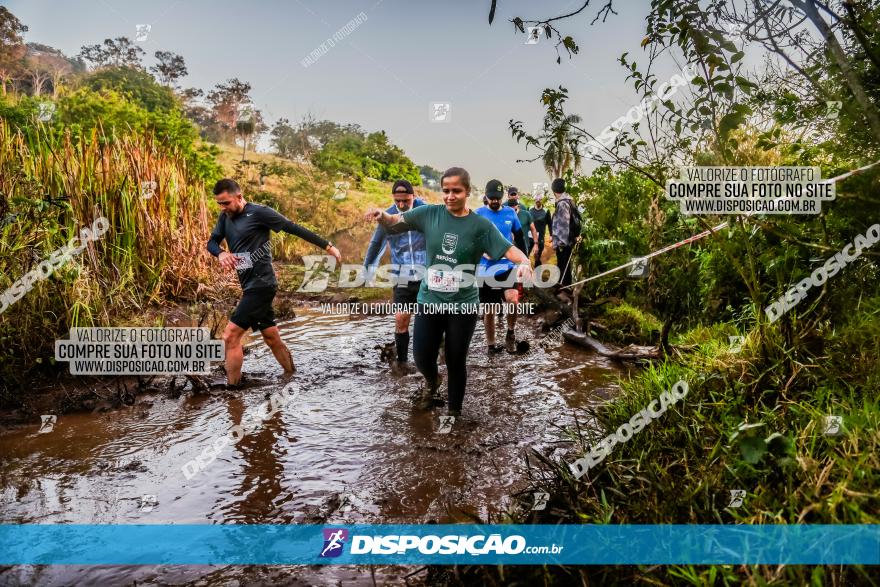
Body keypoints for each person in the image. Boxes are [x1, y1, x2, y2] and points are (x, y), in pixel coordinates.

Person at [365, 167, 532, 418]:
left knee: (455, 362)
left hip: (462, 305)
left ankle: (454, 414)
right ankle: (432, 382)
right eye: (446, 190)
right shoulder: (429, 213)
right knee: (422, 356)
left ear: (467, 192)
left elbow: (509, 249)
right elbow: (395, 221)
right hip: (429, 301)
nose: (450, 196)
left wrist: (525, 262)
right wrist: (381, 216)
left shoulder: (480, 226)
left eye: (456, 191)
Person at [207, 178, 341, 387]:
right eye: (219, 204)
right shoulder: (225, 217)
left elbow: (293, 228)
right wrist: (221, 254)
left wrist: (328, 246)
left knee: (230, 336)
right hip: (249, 285)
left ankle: (232, 391)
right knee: (271, 337)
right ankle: (292, 375)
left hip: (262, 285)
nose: (223, 208)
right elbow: (212, 242)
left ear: (239, 197)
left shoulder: (259, 212)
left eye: (226, 203)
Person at [363, 179, 427, 368]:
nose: (401, 205)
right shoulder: (388, 215)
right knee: (401, 318)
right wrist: (368, 270)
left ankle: (435, 356)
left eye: (405, 201)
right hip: (402, 275)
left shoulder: (425, 211)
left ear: (413, 197)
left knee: (431, 320)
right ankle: (402, 363)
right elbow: (376, 243)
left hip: (427, 276)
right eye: (397, 201)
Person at [476, 180, 528, 354]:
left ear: (502, 197)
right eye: (492, 198)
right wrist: (483, 252)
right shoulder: (478, 214)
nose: (495, 201)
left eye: (498, 198)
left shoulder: (510, 214)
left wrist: (525, 261)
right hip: (486, 269)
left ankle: (510, 331)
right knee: (489, 310)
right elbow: (471, 240)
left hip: (507, 266)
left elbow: (520, 239)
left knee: (513, 300)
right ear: (486, 196)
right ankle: (491, 346)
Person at [550, 178, 580, 288]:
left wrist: (560, 244)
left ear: (554, 190)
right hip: (570, 239)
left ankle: (564, 291)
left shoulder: (562, 204)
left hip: (564, 242)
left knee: (563, 268)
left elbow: (563, 226)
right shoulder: (570, 200)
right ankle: (565, 289)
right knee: (564, 267)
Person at [506, 187, 538, 261]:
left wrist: (536, 244)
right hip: (509, 247)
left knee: (523, 267)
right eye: (511, 207)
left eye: (514, 206)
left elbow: (533, 229)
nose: (512, 208)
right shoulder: (504, 212)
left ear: (518, 205)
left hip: (524, 245)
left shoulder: (525, 213)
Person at [529, 196, 552, 265]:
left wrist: (551, 235)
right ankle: (525, 272)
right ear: (534, 199)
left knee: (537, 256)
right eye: (537, 199)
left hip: (540, 238)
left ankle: (537, 271)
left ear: (542, 200)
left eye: (540, 199)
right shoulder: (529, 209)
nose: (538, 200)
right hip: (529, 236)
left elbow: (550, 224)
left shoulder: (546, 211)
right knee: (525, 254)